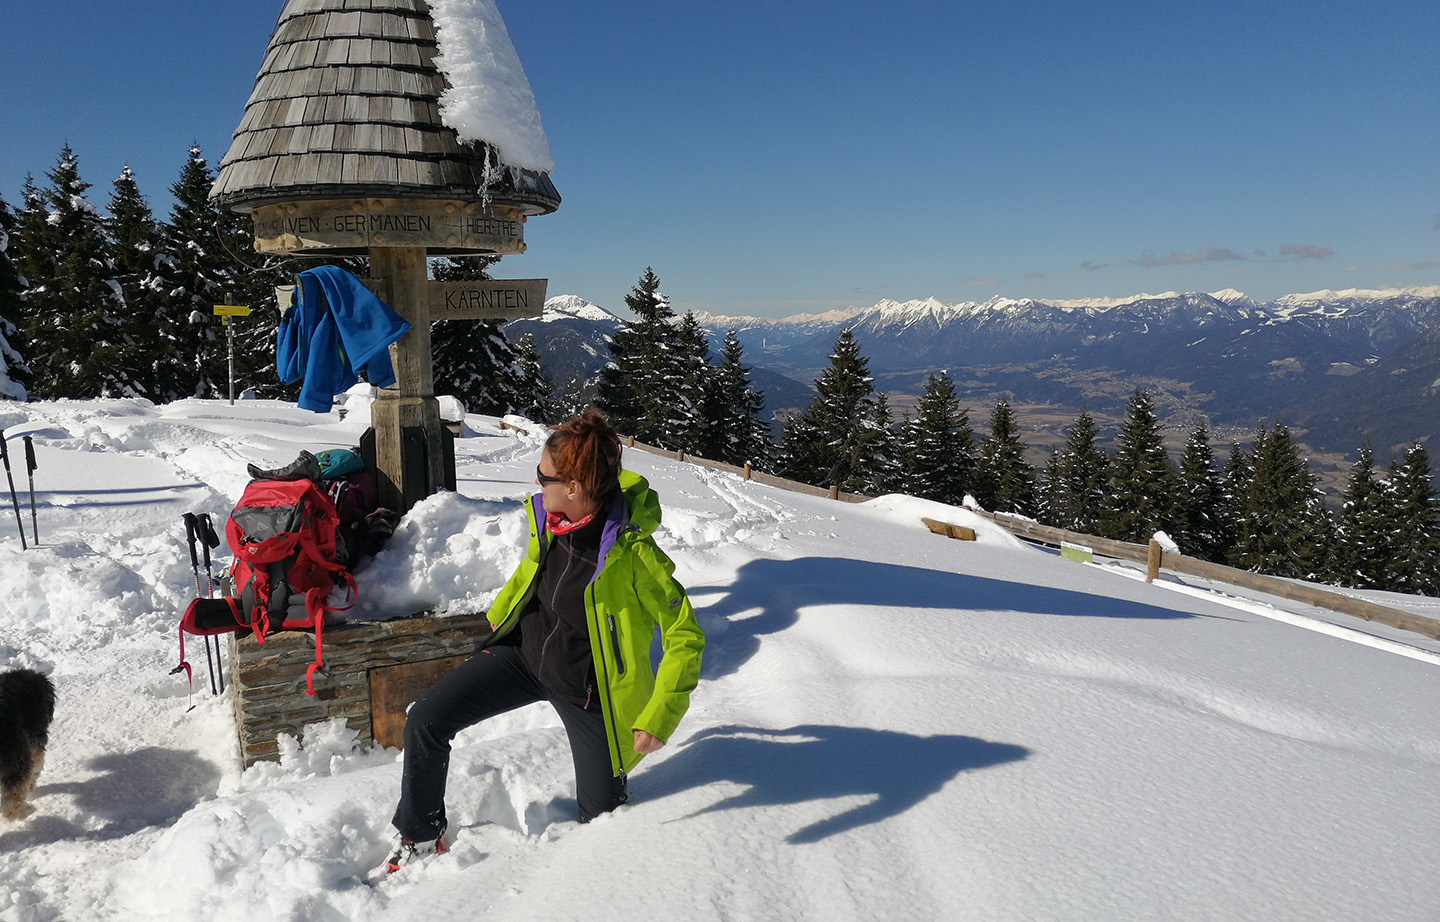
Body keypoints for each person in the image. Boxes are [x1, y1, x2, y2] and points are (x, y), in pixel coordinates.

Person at [386, 409, 705, 872]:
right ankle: (419, 834)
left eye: (543, 476)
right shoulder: (551, 520)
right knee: (426, 720)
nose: (537, 484)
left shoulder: (633, 555)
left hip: (587, 692)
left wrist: (660, 714)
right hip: (523, 657)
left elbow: (685, 635)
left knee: (604, 820)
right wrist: (500, 620)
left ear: (574, 487)